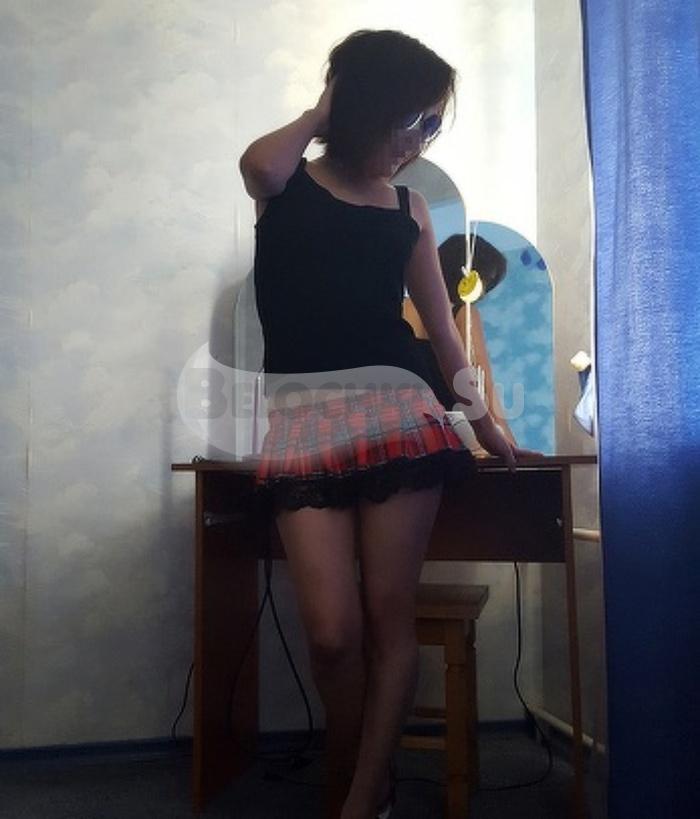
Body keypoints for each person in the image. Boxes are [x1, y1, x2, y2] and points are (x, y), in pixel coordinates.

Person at [239, 29, 539, 819]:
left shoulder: (410, 210)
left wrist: (487, 425)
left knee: (386, 620)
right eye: (417, 119)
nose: (423, 139)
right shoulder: (285, 185)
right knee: (331, 633)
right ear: (367, 105)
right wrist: (326, 106)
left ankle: (361, 798)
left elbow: (443, 333)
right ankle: (357, 776)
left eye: (435, 125)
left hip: (397, 415)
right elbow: (258, 165)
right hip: (301, 423)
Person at [403, 232, 519, 446]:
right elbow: (482, 384)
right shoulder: (464, 314)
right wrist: (508, 442)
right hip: (448, 431)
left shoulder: (402, 308)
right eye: (486, 281)